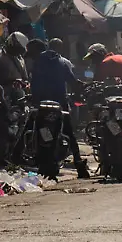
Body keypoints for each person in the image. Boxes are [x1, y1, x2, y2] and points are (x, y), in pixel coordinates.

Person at [30, 37, 89, 178]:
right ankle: (78, 162)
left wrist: (35, 98)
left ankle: (37, 158)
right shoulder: (63, 62)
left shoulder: (38, 61)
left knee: (37, 129)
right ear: (60, 49)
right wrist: (80, 90)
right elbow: (72, 81)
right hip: (59, 104)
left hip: (41, 104)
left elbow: (33, 81)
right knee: (69, 132)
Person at [0, 32, 29, 101]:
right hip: (4, 93)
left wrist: (24, 83)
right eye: (18, 49)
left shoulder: (20, 58)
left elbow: (25, 77)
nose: (18, 53)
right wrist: (12, 82)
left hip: (19, 91)